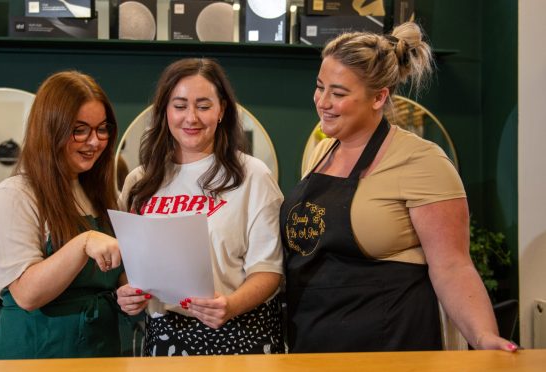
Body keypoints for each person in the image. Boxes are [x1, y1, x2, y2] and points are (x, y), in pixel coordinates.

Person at [281, 22, 517, 353]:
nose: (322, 101)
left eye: (338, 93)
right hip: (315, 339)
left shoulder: (422, 162)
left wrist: (482, 337)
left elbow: (453, 266)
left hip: (390, 343)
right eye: (320, 87)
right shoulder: (322, 152)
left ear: (379, 97)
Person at [116, 58, 284, 356]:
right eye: (179, 106)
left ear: (222, 111)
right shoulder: (139, 182)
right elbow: (131, 266)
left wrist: (230, 307)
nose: (191, 117)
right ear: (165, 111)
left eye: (204, 106)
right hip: (164, 336)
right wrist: (129, 293)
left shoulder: (253, 175)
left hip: (240, 333)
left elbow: (268, 270)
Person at [0, 71, 125, 359]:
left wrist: (129, 292)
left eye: (102, 129)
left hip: (98, 349)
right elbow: (27, 294)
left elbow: (115, 272)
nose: (95, 142)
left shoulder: (102, 194)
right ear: (50, 129)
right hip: (35, 352)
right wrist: (83, 242)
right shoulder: (15, 195)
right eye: (79, 130)